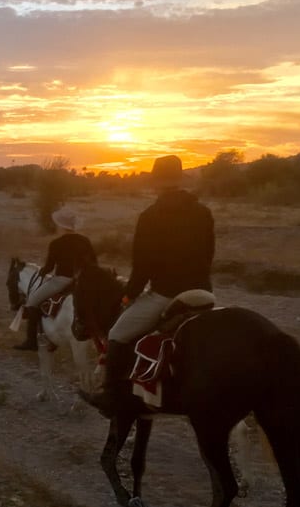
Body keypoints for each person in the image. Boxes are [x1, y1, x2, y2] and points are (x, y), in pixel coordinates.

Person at [82, 154, 215, 417]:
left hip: (165, 294)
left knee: (117, 334)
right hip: (203, 293)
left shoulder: (150, 216)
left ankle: (111, 395)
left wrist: (129, 296)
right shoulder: (203, 212)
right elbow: (209, 254)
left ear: (156, 182)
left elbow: (142, 266)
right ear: (180, 179)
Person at [14, 206, 98, 351]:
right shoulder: (85, 241)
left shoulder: (56, 243)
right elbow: (94, 263)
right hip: (83, 281)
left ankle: (31, 342)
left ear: (61, 225)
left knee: (32, 301)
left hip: (61, 281)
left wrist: (41, 272)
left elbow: (49, 267)